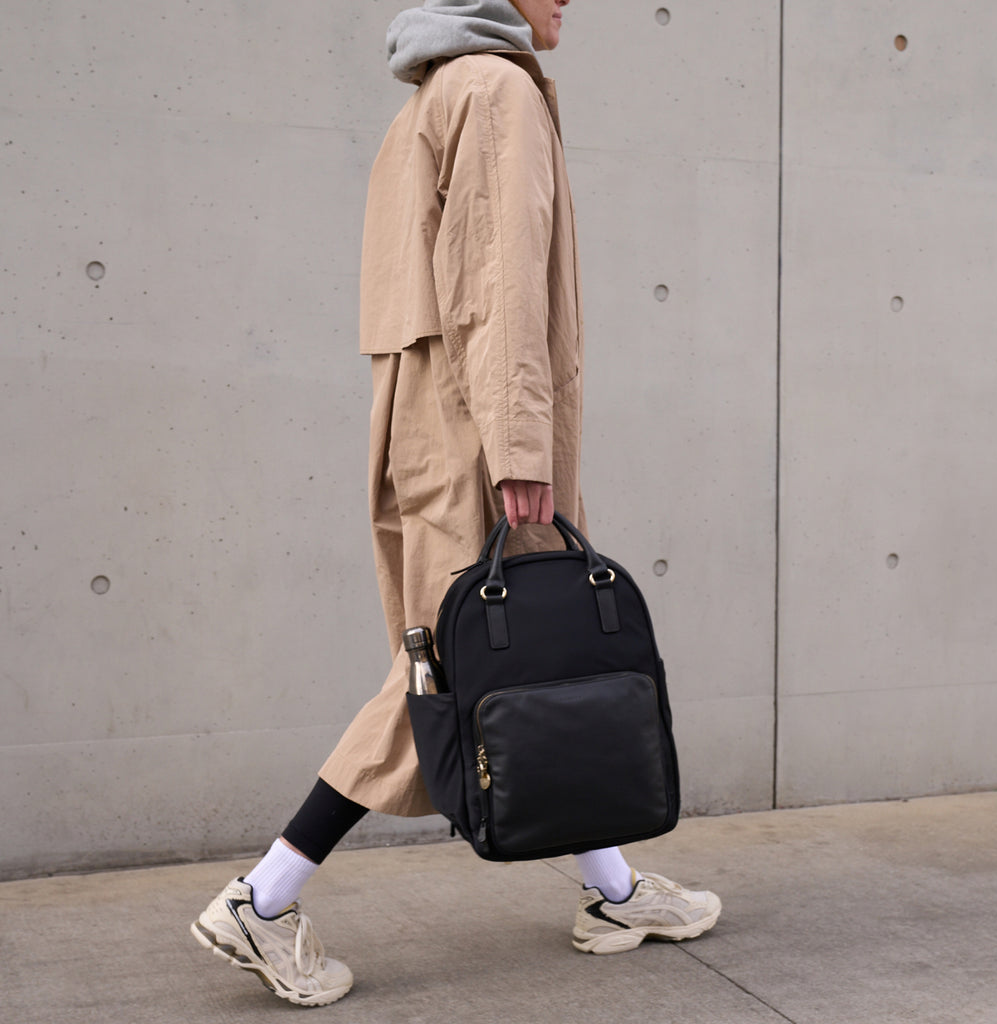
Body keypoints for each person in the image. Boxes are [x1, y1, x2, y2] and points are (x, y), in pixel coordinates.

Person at [190, 0, 721, 1007]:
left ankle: (609, 890)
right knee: (444, 667)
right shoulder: (496, 90)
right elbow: (496, 280)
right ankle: (263, 899)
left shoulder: (433, 95)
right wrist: (520, 445)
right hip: (479, 430)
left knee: (514, 659)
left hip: (431, 418)